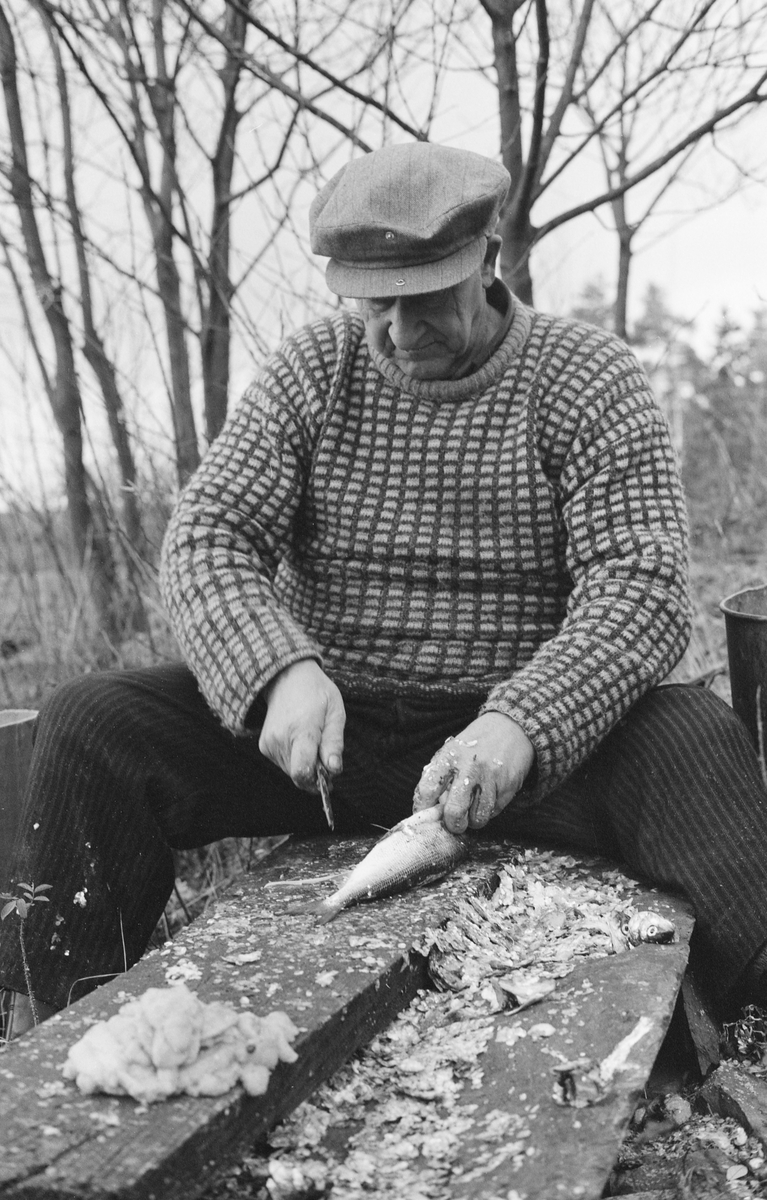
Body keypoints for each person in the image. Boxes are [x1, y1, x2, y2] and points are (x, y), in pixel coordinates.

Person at [2, 142, 767, 1041]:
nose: (399, 335)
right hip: (332, 745)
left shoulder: (586, 378)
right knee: (93, 720)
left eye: (427, 300)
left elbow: (638, 590)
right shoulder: (314, 370)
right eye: (375, 305)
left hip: (519, 755)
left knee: (691, 735)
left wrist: (520, 722)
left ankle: (735, 1026)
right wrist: (277, 671)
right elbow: (206, 537)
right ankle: (63, 1018)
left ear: (488, 257)